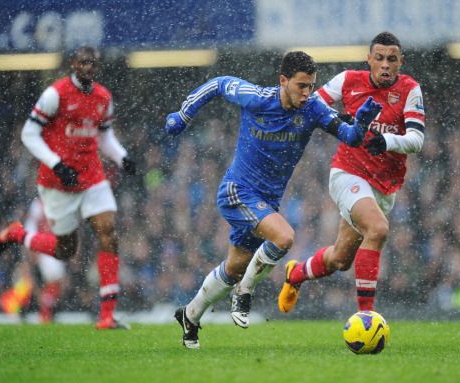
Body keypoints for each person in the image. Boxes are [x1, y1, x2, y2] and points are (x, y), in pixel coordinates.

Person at [164, 51, 382, 349]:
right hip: (237, 192)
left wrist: (361, 125)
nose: (307, 93)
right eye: (301, 86)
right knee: (284, 238)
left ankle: (190, 315)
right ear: (283, 80)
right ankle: (245, 292)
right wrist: (184, 113)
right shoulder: (257, 98)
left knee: (234, 267)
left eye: (311, 86)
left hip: (266, 203)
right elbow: (218, 83)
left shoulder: (314, 109)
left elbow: (350, 137)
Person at [273, 32, 425, 314]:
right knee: (377, 230)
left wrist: (386, 141)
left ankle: (295, 274)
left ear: (400, 62)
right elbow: (312, 104)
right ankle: (366, 317)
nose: (385, 65)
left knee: (340, 259)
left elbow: (417, 139)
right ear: (369, 59)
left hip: (383, 186)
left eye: (391, 59)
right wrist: (334, 119)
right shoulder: (347, 80)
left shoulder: (410, 90)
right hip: (348, 173)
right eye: (378, 58)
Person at [0, 46, 136, 329]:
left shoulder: (103, 98)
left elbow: (104, 136)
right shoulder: (55, 94)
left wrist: (122, 157)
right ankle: (17, 233)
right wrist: (57, 164)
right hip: (57, 182)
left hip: (93, 178)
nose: (88, 67)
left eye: (92, 63)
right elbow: (29, 133)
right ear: (73, 64)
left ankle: (107, 315)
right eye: (83, 62)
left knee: (109, 232)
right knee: (64, 251)